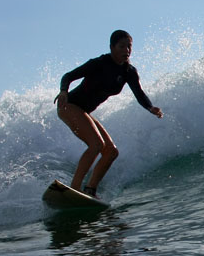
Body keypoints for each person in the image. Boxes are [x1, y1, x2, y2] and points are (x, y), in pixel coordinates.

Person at [55, 30, 163, 198]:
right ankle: (75, 188)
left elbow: (139, 94)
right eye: (122, 46)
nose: (126, 50)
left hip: (83, 111)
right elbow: (68, 76)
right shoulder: (99, 63)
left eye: (129, 47)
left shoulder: (129, 72)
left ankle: (90, 190)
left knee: (111, 151)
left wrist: (150, 108)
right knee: (96, 144)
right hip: (69, 105)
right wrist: (63, 91)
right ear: (112, 47)